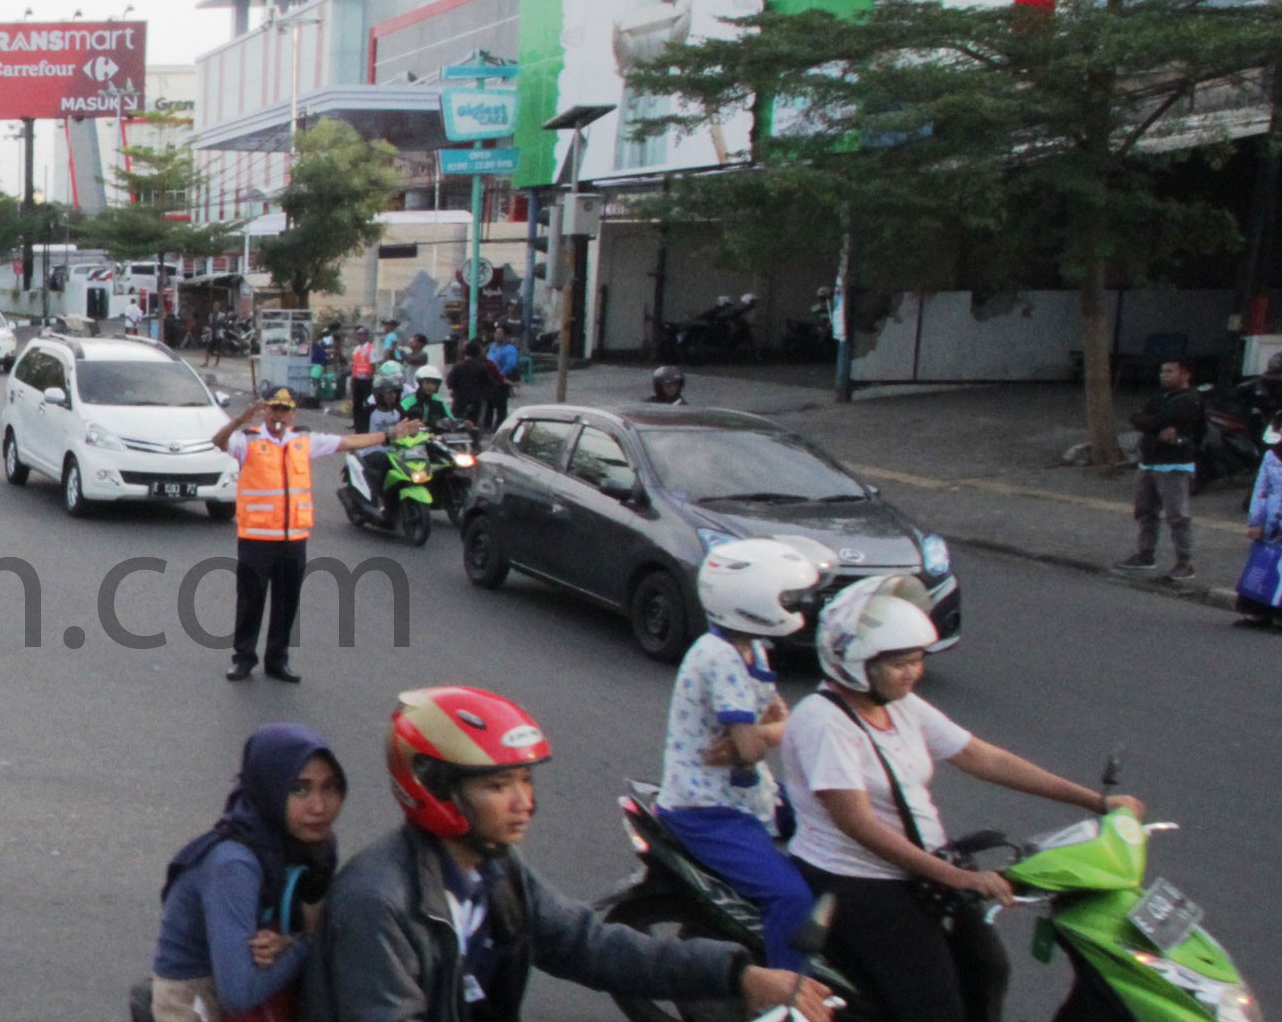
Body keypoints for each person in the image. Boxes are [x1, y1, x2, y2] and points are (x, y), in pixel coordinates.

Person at [307, 687, 828, 1022]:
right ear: (437, 790)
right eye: (497, 785)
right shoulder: (378, 901)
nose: (524, 803)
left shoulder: (497, 872)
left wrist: (742, 975)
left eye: (526, 780)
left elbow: (591, 945)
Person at [784, 577, 1142, 1022]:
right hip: (858, 881)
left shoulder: (900, 706)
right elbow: (858, 824)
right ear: (854, 663)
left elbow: (980, 756)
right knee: (934, 1009)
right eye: (898, 664)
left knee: (987, 969)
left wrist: (1095, 802)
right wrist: (957, 878)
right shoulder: (824, 722)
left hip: (921, 870)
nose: (912, 673)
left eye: (917, 660)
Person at [655, 541, 823, 973]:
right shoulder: (721, 658)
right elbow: (751, 744)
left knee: (833, 822)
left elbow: (765, 716)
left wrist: (764, 728)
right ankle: (788, 998)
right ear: (754, 600)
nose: (796, 604)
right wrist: (777, 730)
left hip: (745, 792)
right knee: (791, 896)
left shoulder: (752, 649)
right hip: (709, 809)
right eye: (787, 596)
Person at [211, 390, 415, 683]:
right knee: (250, 602)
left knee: (287, 602)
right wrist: (240, 419)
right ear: (266, 411)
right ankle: (243, 658)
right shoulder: (249, 440)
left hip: (293, 538)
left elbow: (348, 442)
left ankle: (277, 661)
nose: (279, 415)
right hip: (256, 538)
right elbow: (218, 442)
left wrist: (389, 435)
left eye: (285, 410)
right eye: (275, 409)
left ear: (293, 414)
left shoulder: (304, 440)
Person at [147, 724, 348, 1022]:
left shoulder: (314, 845)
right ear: (271, 788)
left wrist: (288, 942)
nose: (319, 807)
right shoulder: (233, 865)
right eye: (299, 789)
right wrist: (308, 943)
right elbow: (239, 993)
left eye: (329, 786)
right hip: (196, 1002)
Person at [1117, 358, 1204, 582]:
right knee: (1145, 510)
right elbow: (1138, 418)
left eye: (1169, 371)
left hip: (1174, 463)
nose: (1163, 375)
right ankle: (1145, 554)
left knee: (1177, 515)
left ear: (1185, 374)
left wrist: (1153, 423)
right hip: (1149, 461)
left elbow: (1164, 419)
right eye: (1162, 371)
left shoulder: (1189, 400)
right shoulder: (1159, 396)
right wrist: (1155, 426)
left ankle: (1185, 562)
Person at [1239, 424, 1282, 629]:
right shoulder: (1270, 457)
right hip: (1270, 521)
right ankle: (1259, 611)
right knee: (1264, 565)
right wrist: (1256, 522)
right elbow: (1261, 490)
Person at [445, 348, 495, 434]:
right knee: (474, 425)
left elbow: (449, 383)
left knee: (457, 422)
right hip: (476, 401)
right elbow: (490, 383)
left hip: (459, 400)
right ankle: (474, 443)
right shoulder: (481, 367)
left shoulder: (458, 366)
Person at [346, 332, 379, 425]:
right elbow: (355, 365)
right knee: (356, 402)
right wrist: (353, 378)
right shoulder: (357, 349)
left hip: (366, 379)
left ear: (366, 336)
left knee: (367, 402)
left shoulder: (370, 349)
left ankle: (366, 422)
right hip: (357, 378)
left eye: (362, 335)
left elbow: (373, 364)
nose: (359, 337)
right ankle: (357, 423)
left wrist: (370, 375)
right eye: (358, 335)